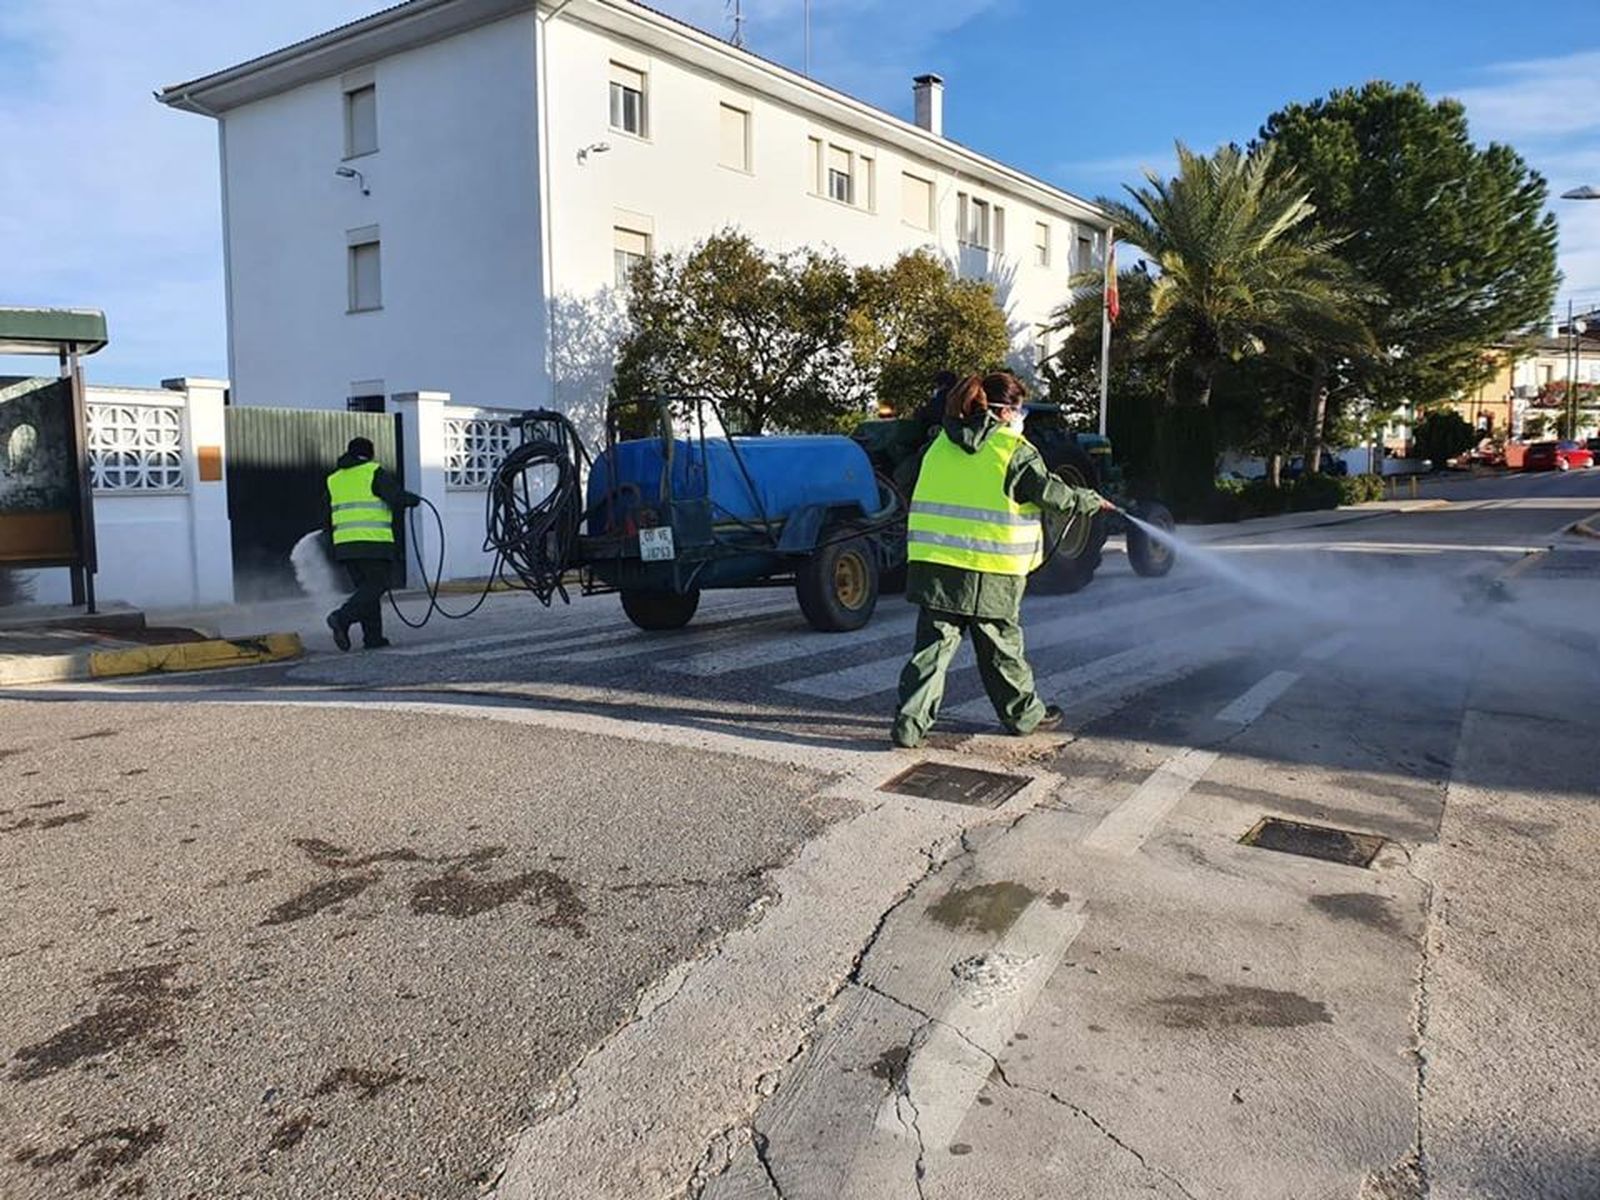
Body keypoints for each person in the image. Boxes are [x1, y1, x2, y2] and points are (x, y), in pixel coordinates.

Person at [892, 372, 1113, 748]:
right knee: (1000, 649)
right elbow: (1051, 494)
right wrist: (1090, 501)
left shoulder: (939, 444)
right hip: (989, 570)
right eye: (1018, 407)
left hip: (936, 564)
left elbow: (904, 477)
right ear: (1005, 411)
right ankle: (1024, 716)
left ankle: (908, 727)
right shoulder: (1015, 450)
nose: (1021, 414)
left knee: (931, 650)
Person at [324, 437, 420, 651]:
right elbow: (395, 496)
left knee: (367, 590)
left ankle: (373, 638)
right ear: (370, 453)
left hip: (345, 545)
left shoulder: (334, 479)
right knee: (377, 585)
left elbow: (327, 514)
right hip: (372, 542)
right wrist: (413, 499)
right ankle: (342, 618)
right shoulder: (373, 471)